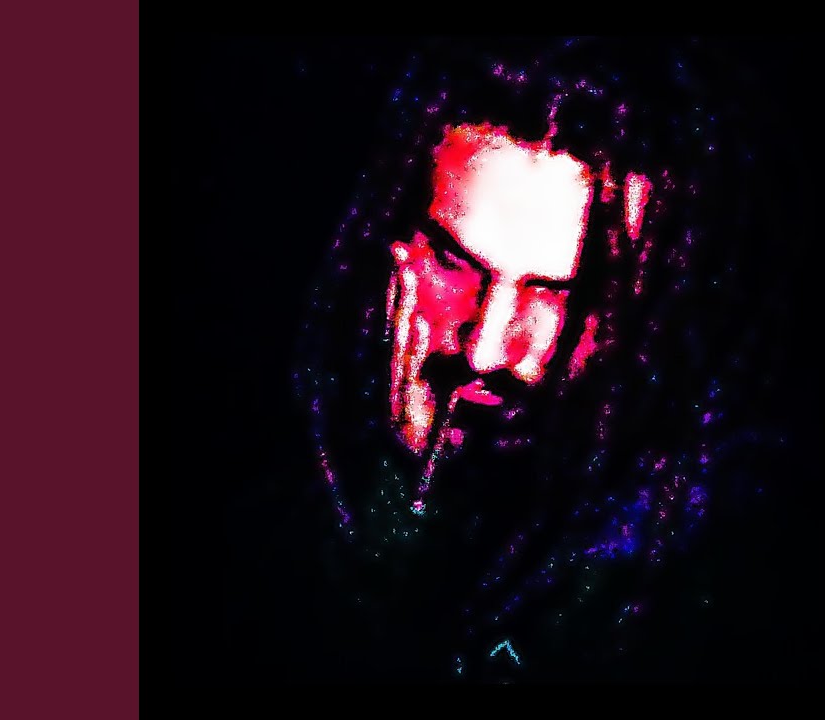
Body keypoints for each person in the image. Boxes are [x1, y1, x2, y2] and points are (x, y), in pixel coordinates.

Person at [291, 38, 787, 682]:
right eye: (453, 264)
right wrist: (393, 505)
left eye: (558, 296)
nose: (485, 347)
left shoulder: (718, 562)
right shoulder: (272, 485)